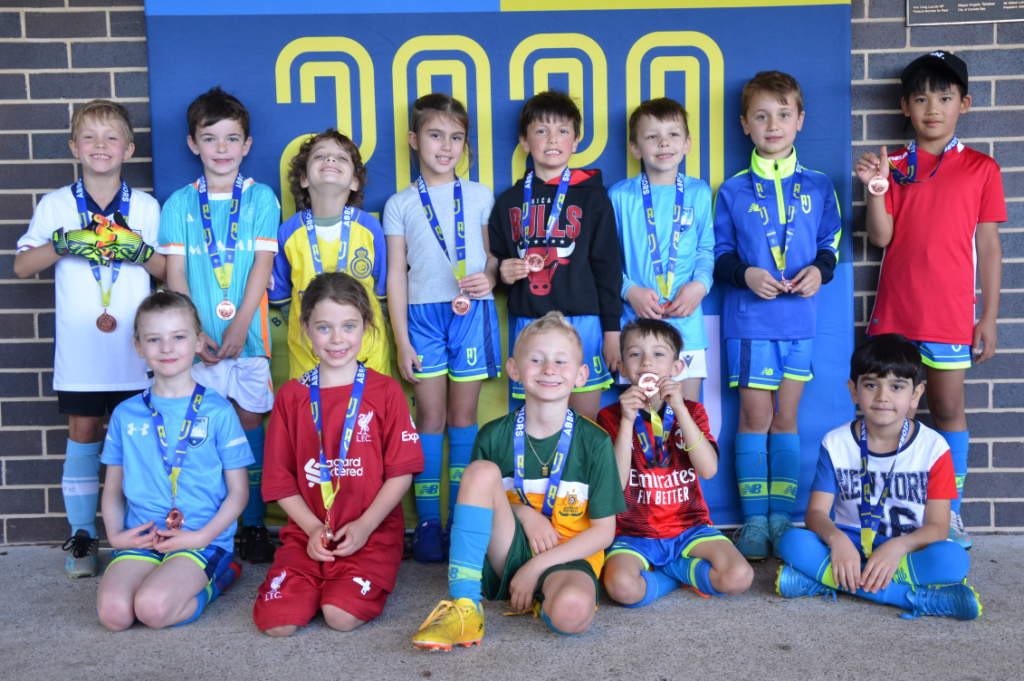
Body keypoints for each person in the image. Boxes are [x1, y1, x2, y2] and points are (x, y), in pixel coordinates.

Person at [856, 51, 1006, 550]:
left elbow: (987, 246)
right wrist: (875, 190)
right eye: (921, 98)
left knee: (945, 408)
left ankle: (950, 514)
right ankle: (881, 512)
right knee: (885, 412)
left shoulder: (982, 168)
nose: (932, 108)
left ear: (963, 104)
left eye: (944, 97)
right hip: (895, 315)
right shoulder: (893, 166)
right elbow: (881, 237)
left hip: (949, 318)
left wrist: (987, 316)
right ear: (905, 106)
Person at [13, 100, 164, 578]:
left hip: (134, 349)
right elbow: (21, 266)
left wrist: (139, 252)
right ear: (74, 147)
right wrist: (61, 243)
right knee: (84, 433)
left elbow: (166, 272)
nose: (101, 146)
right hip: (81, 351)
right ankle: (82, 536)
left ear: (129, 148)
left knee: (137, 437)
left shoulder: (144, 206)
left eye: (111, 137)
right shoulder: (56, 204)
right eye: (91, 137)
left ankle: (139, 534)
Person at [412, 312, 625, 649]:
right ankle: (465, 607)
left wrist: (536, 566)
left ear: (582, 375)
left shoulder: (595, 442)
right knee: (481, 472)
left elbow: (604, 531)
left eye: (560, 361)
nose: (549, 369)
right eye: (536, 359)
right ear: (513, 370)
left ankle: (543, 592)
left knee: (572, 612)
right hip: (507, 548)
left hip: (568, 555)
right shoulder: (494, 435)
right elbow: (480, 500)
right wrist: (525, 515)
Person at [713, 71, 841, 560]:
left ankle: (782, 519)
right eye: (762, 116)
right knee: (755, 415)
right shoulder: (733, 189)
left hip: (799, 322)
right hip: (749, 321)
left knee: (786, 417)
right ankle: (753, 521)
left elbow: (830, 241)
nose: (773, 125)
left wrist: (821, 271)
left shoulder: (819, 185)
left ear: (800, 121)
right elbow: (721, 254)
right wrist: (745, 275)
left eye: (783, 115)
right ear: (745, 124)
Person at [253, 272, 423, 636]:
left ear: (365, 326)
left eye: (348, 326)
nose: (337, 339)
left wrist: (363, 526)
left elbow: (401, 473)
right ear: (305, 330)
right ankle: (311, 579)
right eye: (324, 327)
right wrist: (313, 529)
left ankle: (336, 586)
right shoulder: (291, 397)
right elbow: (280, 482)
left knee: (339, 616)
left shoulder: (386, 392)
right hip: (307, 531)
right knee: (277, 624)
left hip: (371, 531)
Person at [776, 334, 980, 620]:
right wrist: (837, 540)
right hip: (851, 544)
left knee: (954, 559)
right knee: (791, 542)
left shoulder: (934, 448)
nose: (883, 396)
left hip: (906, 550)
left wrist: (899, 547)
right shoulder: (835, 443)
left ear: (916, 394)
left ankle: (824, 580)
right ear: (854, 390)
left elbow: (938, 527)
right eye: (871, 385)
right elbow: (816, 514)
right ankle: (910, 597)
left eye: (897, 386)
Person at [159, 87, 280, 563]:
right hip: (198, 343)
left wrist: (238, 326)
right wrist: (197, 334)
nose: (223, 149)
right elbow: (175, 276)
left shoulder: (262, 199)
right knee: (203, 425)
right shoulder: (178, 205)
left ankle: (252, 526)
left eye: (233, 139)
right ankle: (213, 528)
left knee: (250, 425)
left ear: (247, 144)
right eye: (211, 139)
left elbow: (261, 268)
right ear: (194, 144)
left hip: (248, 339)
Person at [383, 93, 501, 563]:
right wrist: (402, 340)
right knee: (429, 418)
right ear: (414, 140)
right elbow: (395, 274)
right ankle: (429, 522)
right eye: (435, 135)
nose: (445, 146)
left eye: (456, 138)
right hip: (420, 317)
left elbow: (494, 255)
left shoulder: (479, 194)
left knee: (462, 420)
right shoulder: (399, 203)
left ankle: (461, 519)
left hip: (471, 311)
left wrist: (489, 275)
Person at [96, 290, 251, 630]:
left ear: (198, 341)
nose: (167, 348)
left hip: (200, 538)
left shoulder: (218, 411)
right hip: (144, 537)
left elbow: (239, 493)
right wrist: (116, 536)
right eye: (154, 339)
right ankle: (157, 573)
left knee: (152, 610)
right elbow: (112, 490)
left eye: (178, 337)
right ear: (139, 347)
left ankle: (221, 576)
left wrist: (200, 537)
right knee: (114, 615)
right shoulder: (125, 414)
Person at [598, 319, 752, 606]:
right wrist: (628, 421)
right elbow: (614, 487)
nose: (646, 363)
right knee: (621, 588)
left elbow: (708, 470)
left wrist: (679, 408)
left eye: (658, 354)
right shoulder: (610, 417)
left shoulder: (692, 411)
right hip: (633, 533)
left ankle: (672, 569)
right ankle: (673, 575)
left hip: (690, 527)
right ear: (621, 367)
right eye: (635, 354)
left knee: (739, 577)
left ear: (677, 368)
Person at [489, 89, 623, 421]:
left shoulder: (593, 198)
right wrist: (503, 274)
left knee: (584, 423)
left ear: (575, 141)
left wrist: (612, 332)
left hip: (585, 325)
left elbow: (608, 268)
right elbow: (499, 265)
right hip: (529, 323)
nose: (553, 138)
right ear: (523, 141)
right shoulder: (508, 202)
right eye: (541, 130)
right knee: (538, 424)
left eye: (563, 130)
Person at [610, 98, 715, 401]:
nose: (663, 143)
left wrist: (700, 285)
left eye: (673, 134)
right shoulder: (620, 195)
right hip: (636, 328)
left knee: (687, 418)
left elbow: (706, 250)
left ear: (687, 143)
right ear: (635, 148)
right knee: (640, 419)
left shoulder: (699, 191)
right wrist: (630, 290)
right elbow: (605, 260)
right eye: (652, 136)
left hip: (687, 326)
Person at [270, 128, 390, 379]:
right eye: (320, 156)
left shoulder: (370, 228)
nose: (331, 160)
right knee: (311, 418)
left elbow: (382, 293)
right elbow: (281, 297)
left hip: (367, 352)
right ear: (304, 179)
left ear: (355, 182)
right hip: (308, 353)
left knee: (368, 417)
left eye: (342, 158)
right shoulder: (287, 232)